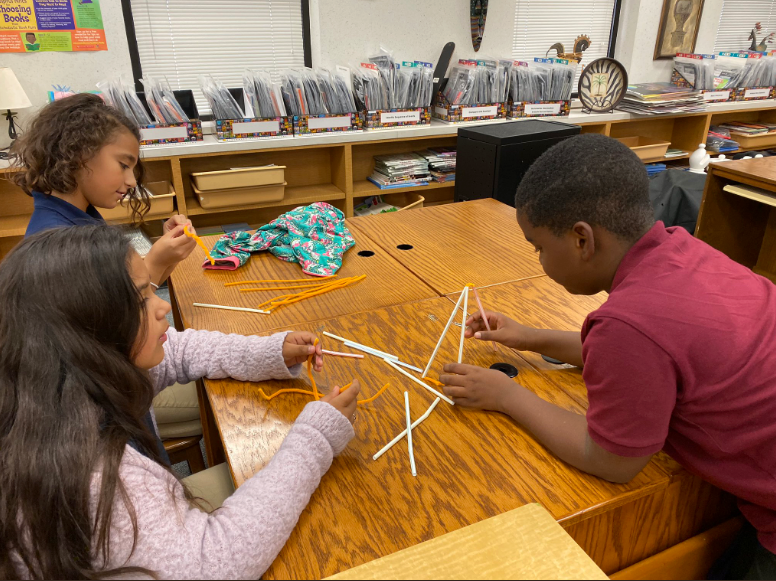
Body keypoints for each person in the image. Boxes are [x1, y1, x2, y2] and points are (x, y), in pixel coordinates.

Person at [440, 134, 776, 579]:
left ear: (582, 239)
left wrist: (507, 395)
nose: (539, 258)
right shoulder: (683, 250)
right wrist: (530, 337)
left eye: (538, 246)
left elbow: (610, 460)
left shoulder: (630, 324)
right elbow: (646, 361)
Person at [0, 225, 360, 579]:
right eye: (142, 297)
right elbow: (214, 562)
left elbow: (178, 351)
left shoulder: (60, 382)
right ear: (91, 326)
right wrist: (315, 440)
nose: (162, 309)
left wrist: (269, 352)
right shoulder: (96, 478)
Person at [12, 92, 195, 285]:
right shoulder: (58, 244)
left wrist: (167, 257)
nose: (132, 181)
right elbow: (128, 312)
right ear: (77, 154)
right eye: (124, 165)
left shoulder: (79, 216)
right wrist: (156, 261)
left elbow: (120, 293)